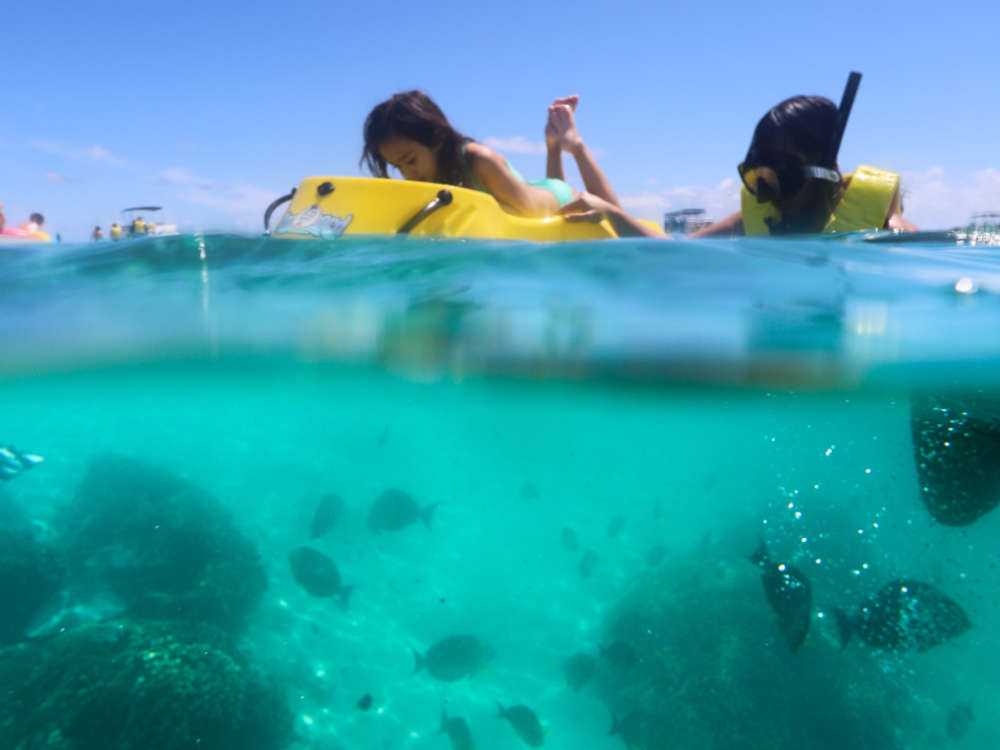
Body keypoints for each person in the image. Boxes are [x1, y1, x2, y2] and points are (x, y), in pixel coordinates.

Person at [557, 79, 918, 238]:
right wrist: (612, 214)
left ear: (826, 169)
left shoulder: (879, 221)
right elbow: (676, 254)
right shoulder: (759, 217)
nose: (770, 192)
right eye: (760, 177)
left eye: (785, 176)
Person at [361, 90, 575, 218]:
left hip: (558, 197)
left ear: (437, 136)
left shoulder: (480, 161)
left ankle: (556, 145)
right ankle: (553, 147)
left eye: (411, 160)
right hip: (525, 189)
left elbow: (531, 215)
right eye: (398, 167)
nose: (408, 173)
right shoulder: (432, 176)